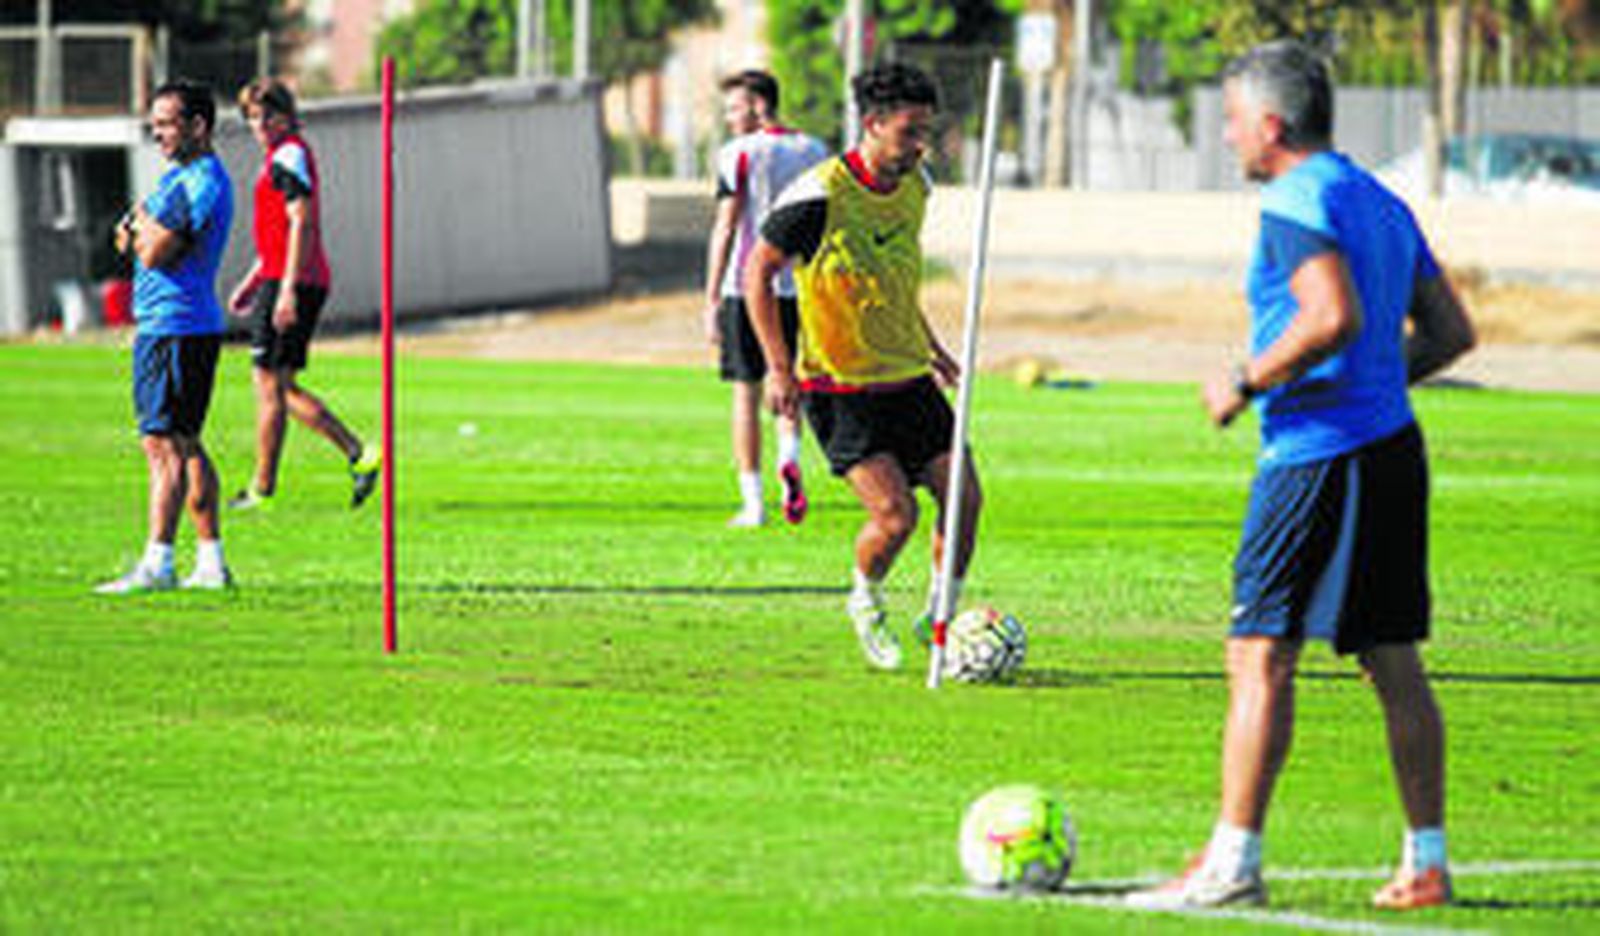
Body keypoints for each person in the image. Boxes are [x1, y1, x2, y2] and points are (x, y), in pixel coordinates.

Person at [1129, 41, 1477, 912]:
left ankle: (1231, 862)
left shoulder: (1295, 197)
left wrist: (1245, 380)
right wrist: (1378, 382)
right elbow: (1449, 332)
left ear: (1272, 125)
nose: (1228, 133)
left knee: (1258, 654)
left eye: (1234, 118)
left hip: (1316, 458)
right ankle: (1425, 861)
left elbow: (1328, 315)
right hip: (1391, 449)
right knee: (1391, 659)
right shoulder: (1378, 197)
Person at [744, 62, 981, 671]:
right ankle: (864, 598)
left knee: (964, 499)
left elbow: (893, 278)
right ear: (872, 125)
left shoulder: (917, 186)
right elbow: (756, 274)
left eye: (926, 130)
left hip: (908, 376)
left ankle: (939, 617)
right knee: (896, 517)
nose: (921, 145)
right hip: (840, 386)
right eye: (910, 132)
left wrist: (930, 345)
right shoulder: (820, 195)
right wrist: (778, 367)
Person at [97, 80, 235, 593]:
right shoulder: (178, 179)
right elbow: (128, 232)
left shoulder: (198, 182)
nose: (156, 133)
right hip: (175, 325)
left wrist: (140, 226)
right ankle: (211, 563)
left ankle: (158, 563)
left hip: (175, 326)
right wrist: (140, 227)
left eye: (166, 123)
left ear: (198, 126)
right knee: (184, 443)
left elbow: (153, 251)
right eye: (153, 123)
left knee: (162, 446)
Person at [226, 77, 379, 511]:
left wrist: (286, 289)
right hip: (281, 276)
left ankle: (266, 489)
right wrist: (254, 279)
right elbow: (278, 231)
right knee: (280, 388)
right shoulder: (280, 156)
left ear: (287, 116)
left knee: (270, 387)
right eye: (252, 118)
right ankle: (354, 456)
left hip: (294, 280)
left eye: (267, 115)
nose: (259, 125)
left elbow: (302, 223)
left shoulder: (290, 153)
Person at [703, 69, 828, 527]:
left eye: (734, 108)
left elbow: (726, 226)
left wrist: (711, 297)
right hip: (799, 288)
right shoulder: (814, 150)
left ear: (758, 105)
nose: (729, 118)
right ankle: (788, 463)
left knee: (745, 393)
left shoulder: (737, 153)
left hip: (746, 286)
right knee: (789, 385)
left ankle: (753, 502)